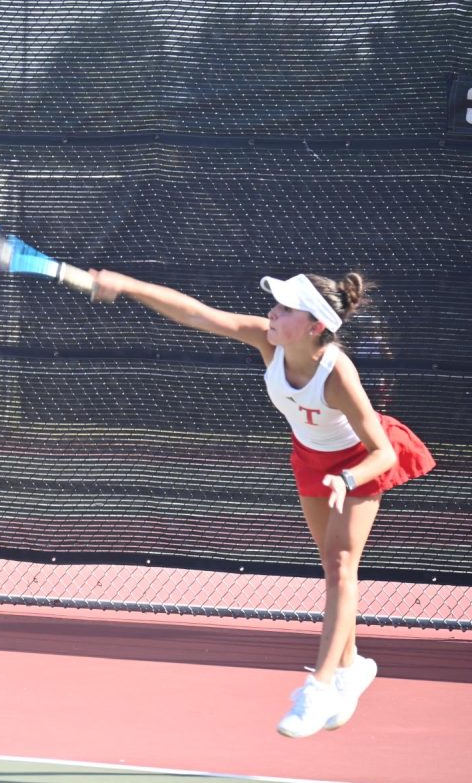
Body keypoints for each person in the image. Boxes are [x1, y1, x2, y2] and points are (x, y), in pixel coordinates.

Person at [89, 268, 434, 738]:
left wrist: (347, 479)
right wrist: (126, 286)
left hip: (358, 462)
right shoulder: (266, 340)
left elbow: (384, 452)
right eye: (276, 304)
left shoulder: (337, 374)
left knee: (340, 566)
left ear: (316, 325)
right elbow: (195, 313)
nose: (273, 311)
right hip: (311, 460)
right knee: (331, 567)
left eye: (287, 308)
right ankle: (353, 666)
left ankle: (320, 685)